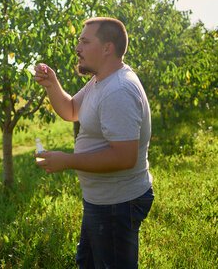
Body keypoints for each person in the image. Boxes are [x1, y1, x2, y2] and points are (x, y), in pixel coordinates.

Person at [33, 17, 154, 268]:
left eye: (85, 42)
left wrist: (67, 161)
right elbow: (71, 110)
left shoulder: (118, 90)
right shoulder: (101, 81)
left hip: (117, 205)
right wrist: (52, 84)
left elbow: (124, 157)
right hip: (102, 201)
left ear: (107, 48)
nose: (77, 48)